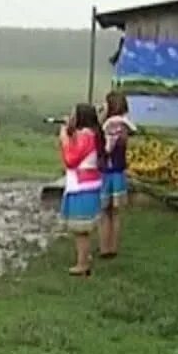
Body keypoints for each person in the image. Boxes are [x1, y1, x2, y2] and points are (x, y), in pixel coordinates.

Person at [59, 103, 105, 277]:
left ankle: (82, 264)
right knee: (84, 229)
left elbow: (71, 159)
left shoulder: (85, 136)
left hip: (81, 187)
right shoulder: (92, 134)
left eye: (73, 115)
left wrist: (64, 137)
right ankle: (85, 256)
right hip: (89, 185)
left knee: (81, 230)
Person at [100, 92, 136, 260]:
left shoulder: (107, 125)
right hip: (119, 172)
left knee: (105, 212)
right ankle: (113, 247)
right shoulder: (125, 127)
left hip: (105, 174)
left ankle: (104, 247)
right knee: (116, 213)